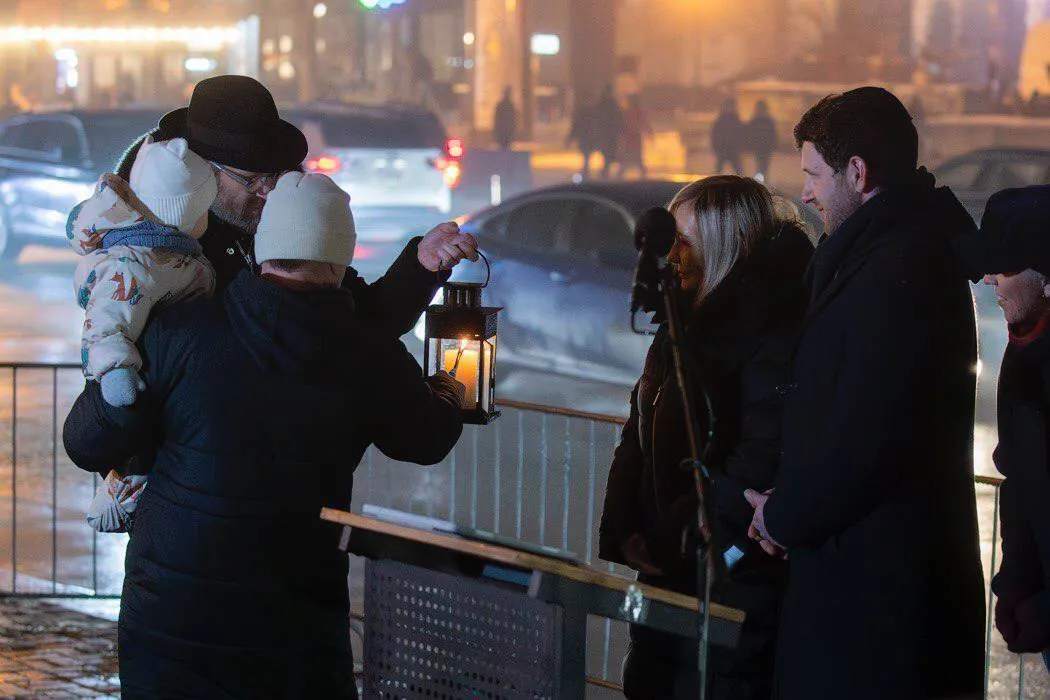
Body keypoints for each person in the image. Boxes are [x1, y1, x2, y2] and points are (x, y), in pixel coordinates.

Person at [62, 171, 467, 698]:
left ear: (263, 250)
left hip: (173, 627)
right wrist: (453, 388)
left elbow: (85, 442)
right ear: (342, 260)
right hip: (295, 628)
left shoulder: (182, 331)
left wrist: (123, 405)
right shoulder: (368, 355)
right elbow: (425, 439)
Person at [744, 86, 986, 699]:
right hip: (871, 583)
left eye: (814, 174)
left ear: (858, 171)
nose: (804, 192)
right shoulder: (886, 255)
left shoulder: (895, 272)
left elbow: (868, 436)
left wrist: (783, 514)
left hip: (879, 603)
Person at [600, 176, 813, 699]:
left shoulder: (769, 331)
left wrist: (680, 533)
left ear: (724, 245)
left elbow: (759, 456)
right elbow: (640, 425)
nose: (672, 255)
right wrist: (628, 525)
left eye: (685, 242)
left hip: (730, 579)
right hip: (667, 567)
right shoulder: (681, 320)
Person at [112, 75, 475, 336]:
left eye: (274, 177)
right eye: (252, 180)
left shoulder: (283, 219)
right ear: (202, 171)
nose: (267, 192)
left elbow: (362, 316)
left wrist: (420, 267)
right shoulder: (153, 252)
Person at [67, 137, 217, 531]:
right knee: (139, 444)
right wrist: (116, 371)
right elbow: (107, 319)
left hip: (159, 359)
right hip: (126, 374)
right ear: (184, 215)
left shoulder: (167, 254)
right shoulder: (132, 265)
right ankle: (115, 501)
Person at [954, 185, 1050, 670]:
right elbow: (1018, 480)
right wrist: (1013, 585)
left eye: (1004, 265)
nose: (988, 278)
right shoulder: (1023, 346)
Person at [593, 85, 624, 179]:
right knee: (612, 155)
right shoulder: (613, 103)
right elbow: (619, 119)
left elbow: (596, 120)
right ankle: (615, 175)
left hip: (604, 135)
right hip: (611, 135)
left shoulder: (600, 104)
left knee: (607, 156)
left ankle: (606, 174)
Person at [618, 93, 652, 179]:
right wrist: (649, 133)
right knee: (637, 159)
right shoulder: (639, 112)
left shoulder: (626, 112)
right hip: (635, 138)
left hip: (629, 139)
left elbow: (622, 125)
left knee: (627, 159)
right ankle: (643, 177)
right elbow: (645, 124)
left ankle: (619, 176)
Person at [567, 96, 598, 180]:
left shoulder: (581, 114)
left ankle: (585, 173)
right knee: (587, 157)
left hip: (584, 139)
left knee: (586, 156)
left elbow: (575, 127)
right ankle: (585, 173)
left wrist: (569, 139)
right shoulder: (594, 114)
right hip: (590, 139)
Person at [745, 100, 777, 182]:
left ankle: (760, 182)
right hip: (762, 147)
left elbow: (749, 133)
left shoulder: (756, 120)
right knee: (762, 166)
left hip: (762, 147)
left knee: (762, 166)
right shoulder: (767, 120)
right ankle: (761, 182)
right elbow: (773, 134)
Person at [711, 98, 743, 175]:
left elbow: (740, 134)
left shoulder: (722, 119)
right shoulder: (734, 119)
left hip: (728, 149)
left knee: (719, 170)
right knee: (738, 171)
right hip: (725, 148)